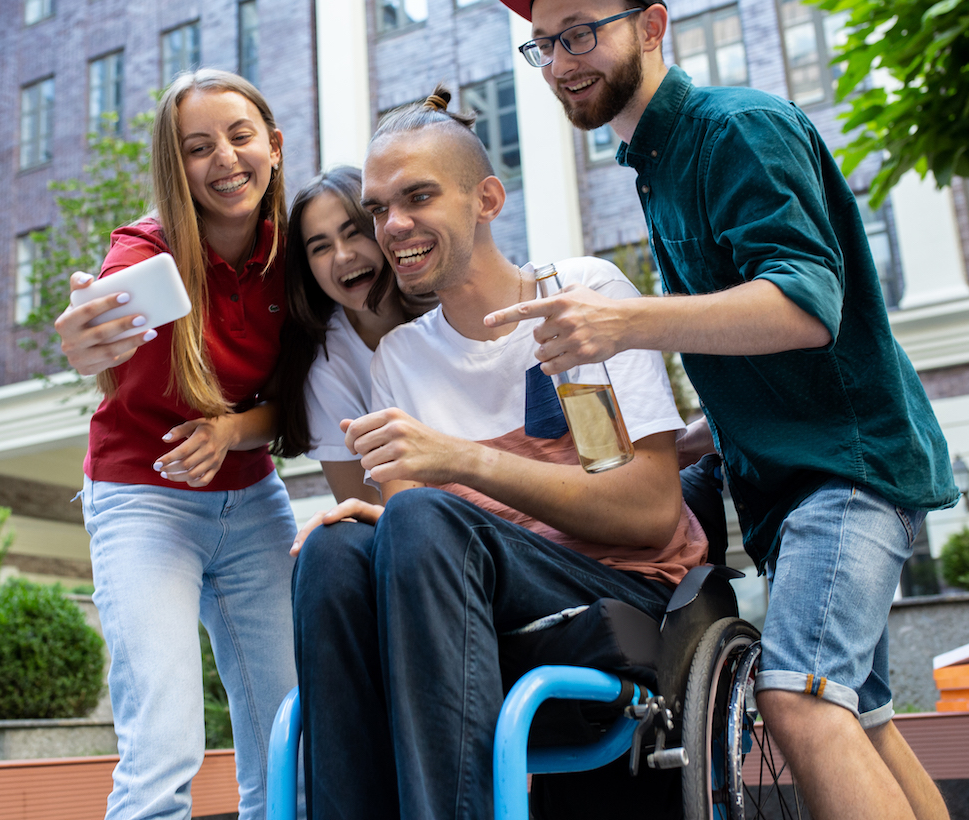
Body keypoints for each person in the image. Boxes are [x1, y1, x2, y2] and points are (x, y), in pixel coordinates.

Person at [484, 0, 957, 820]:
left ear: (652, 24)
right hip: (787, 480)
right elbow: (753, 338)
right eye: (543, 44)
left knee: (801, 700)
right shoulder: (654, 164)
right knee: (865, 717)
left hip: (845, 473)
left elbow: (803, 306)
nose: (559, 61)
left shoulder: (738, 128)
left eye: (581, 32)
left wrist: (623, 322)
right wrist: (701, 430)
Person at [289, 88, 707, 819]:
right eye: (379, 208)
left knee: (422, 515)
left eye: (417, 197)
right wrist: (377, 523)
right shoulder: (399, 360)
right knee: (334, 553)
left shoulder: (579, 297)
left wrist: (459, 462)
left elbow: (648, 510)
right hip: (470, 602)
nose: (393, 226)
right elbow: (423, 549)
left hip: (620, 585)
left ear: (486, 198)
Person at [54, 69, 298, 820]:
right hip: (143, 502)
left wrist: (229, 431)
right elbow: (96, 317)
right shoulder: (140, 253)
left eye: (239, 135)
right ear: (175, 165)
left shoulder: (297, 255)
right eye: (197, 147)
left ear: (274, 147)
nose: (224, 158)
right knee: (162, 746)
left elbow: (291, 408)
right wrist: (82, 333)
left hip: (252, 499)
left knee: (287, 735)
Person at [274, 166, 434, 502]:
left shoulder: (448, 308)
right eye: (320, 247)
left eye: (353, 233)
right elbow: (363, 508)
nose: (344, 256)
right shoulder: (327, 366)